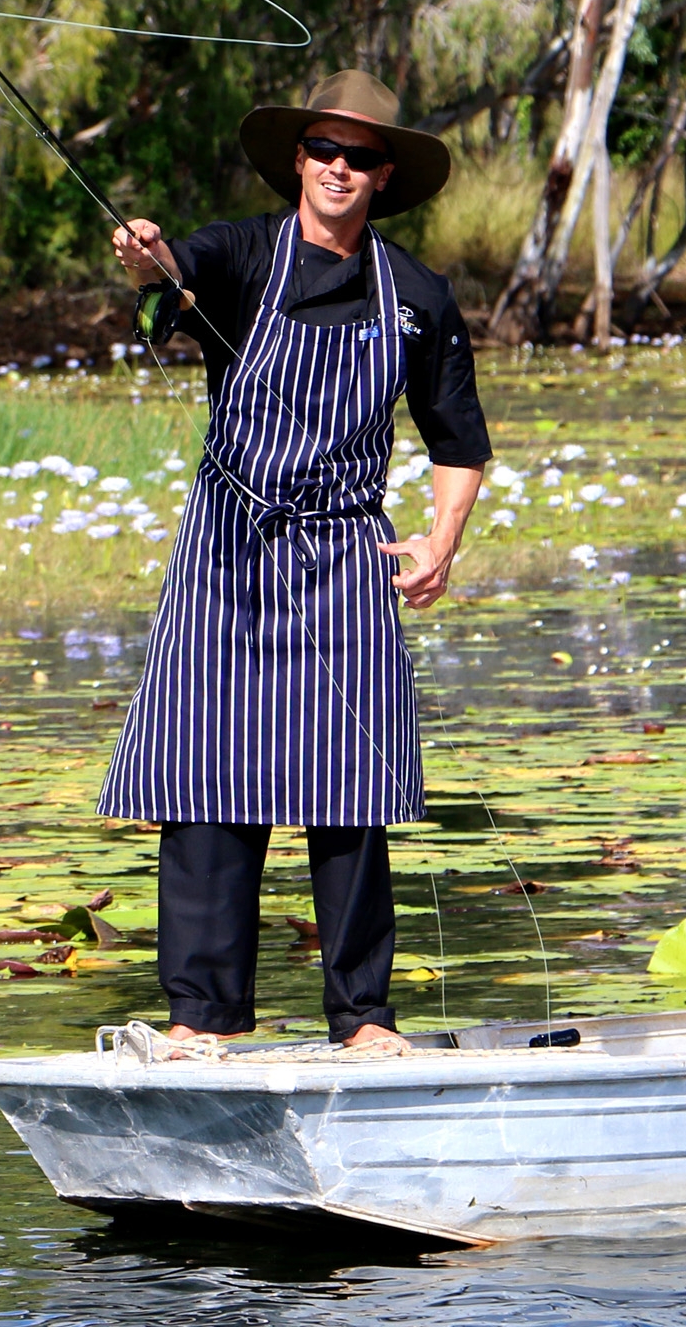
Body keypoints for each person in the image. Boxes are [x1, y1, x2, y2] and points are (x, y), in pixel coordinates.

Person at [98, 70, 490, 1051]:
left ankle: (362, 1020)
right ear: (298, 162)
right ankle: (202, 1021)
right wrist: (144, 256)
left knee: (349, 794)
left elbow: (457, 441)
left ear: (384, 174)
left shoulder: (417, 295)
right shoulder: (238, 254)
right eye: (323, 151)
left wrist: (440, 541)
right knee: (204, 786)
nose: (338, 169)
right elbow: (168, 280)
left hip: (348, 549)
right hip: (228, 549)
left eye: (358, 157)